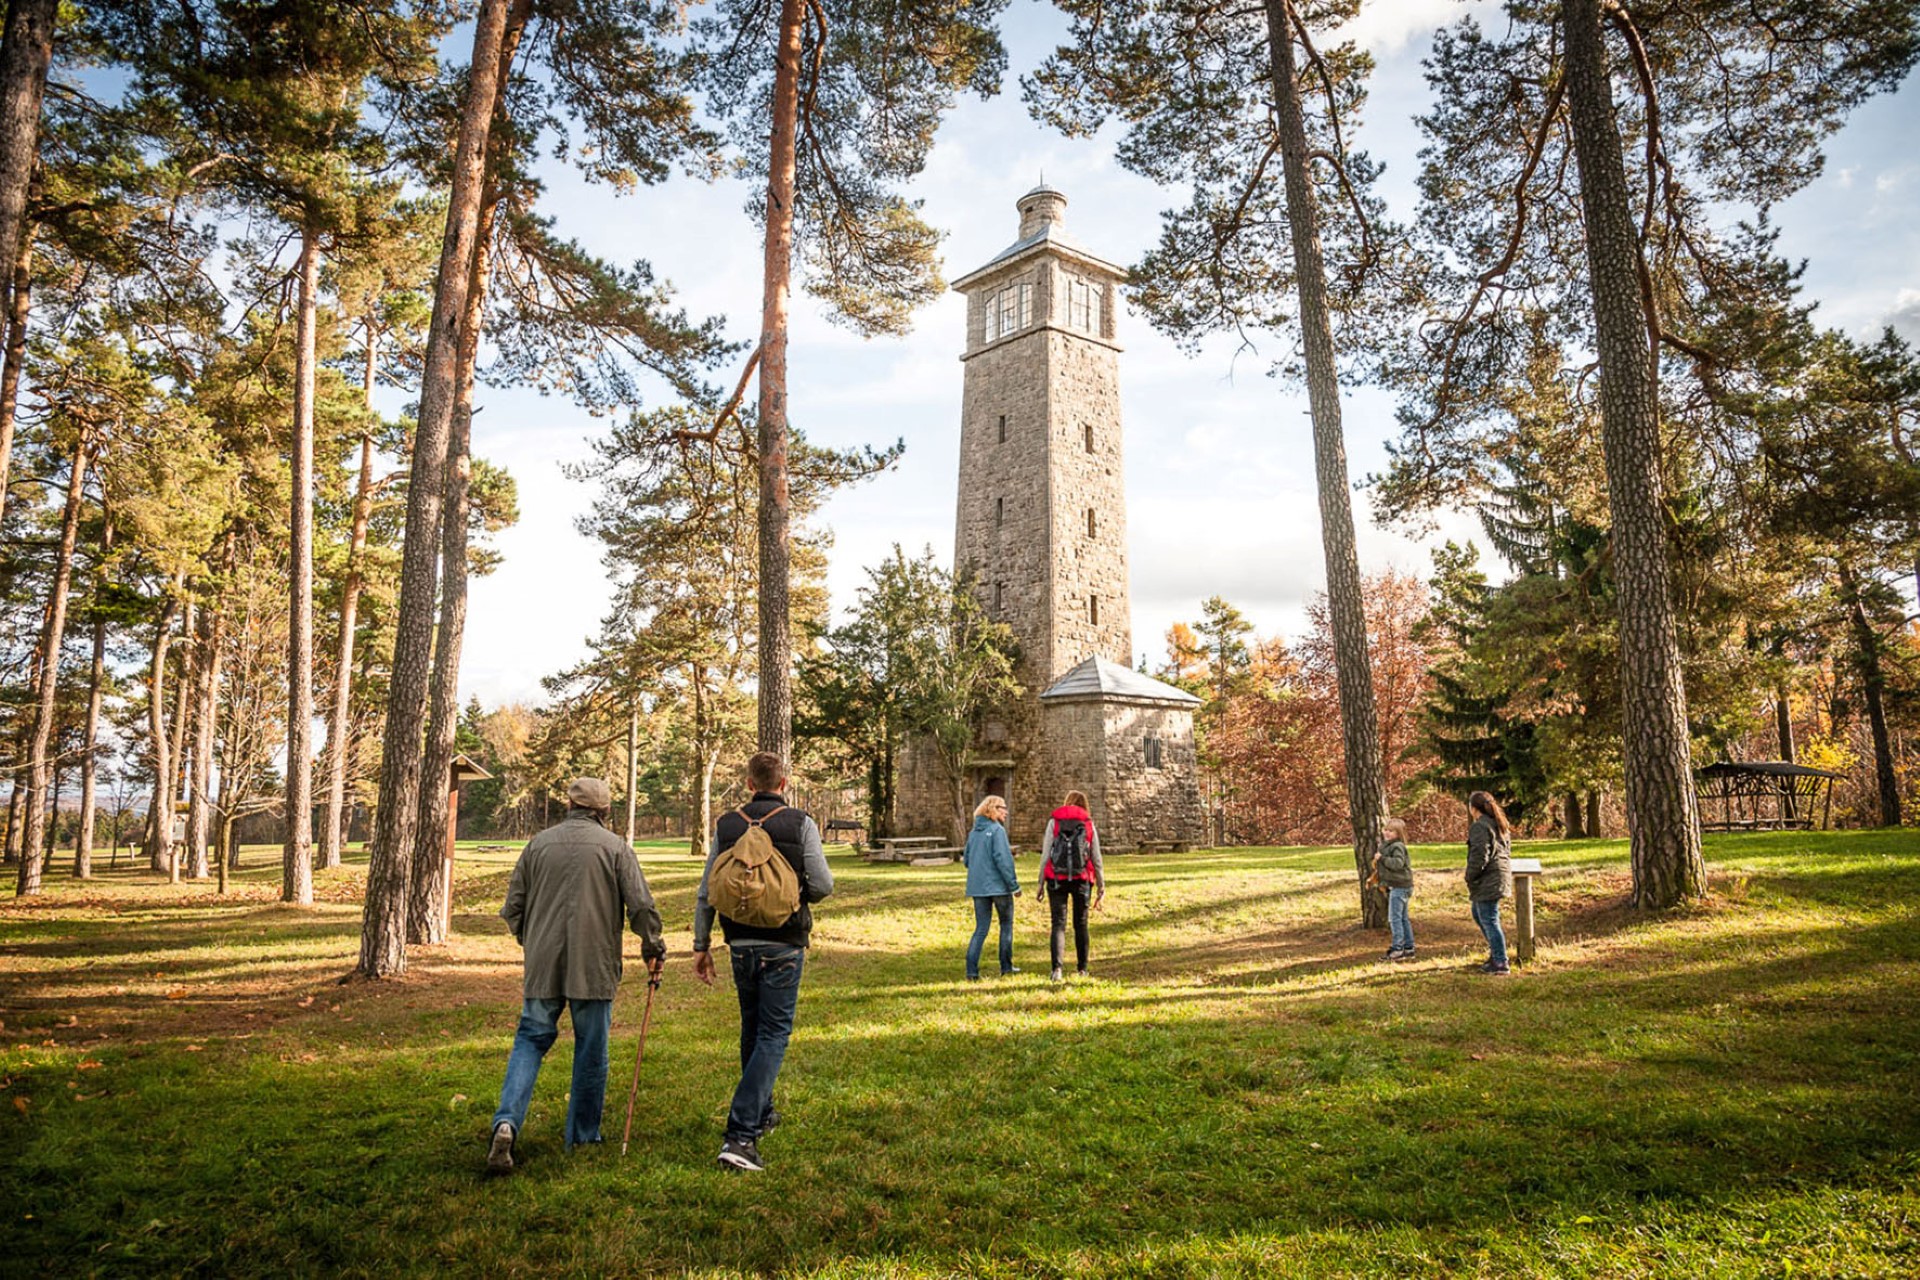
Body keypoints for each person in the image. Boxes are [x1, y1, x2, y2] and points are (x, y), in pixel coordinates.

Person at [488, 777, 664, 1174]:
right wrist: (653, 947)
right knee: (590, 1049)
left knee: (530, 1041)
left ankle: (506, 1122)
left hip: (543, 962)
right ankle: (583, 1135)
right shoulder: (617, 849)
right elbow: (640, 906)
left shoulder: (538, 845)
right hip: (595, 964)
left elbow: (512, 907)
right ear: (604, 811)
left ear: (569, 804)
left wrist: (530, 941)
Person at [694, 752, 834, 1173]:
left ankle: (762, 1112)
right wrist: (795, 896)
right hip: (784, 944)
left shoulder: (728, 825)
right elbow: (824, 884)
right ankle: (740, 1135)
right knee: (774, 1033)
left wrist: (701, 944)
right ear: (784, 783)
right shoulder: (799, 823)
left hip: (740, 942)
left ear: (749, 784)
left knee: (752, 1027)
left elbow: (708, 889)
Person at [1035, 789, 1104, 982]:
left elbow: (1046, 854)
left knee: (1058, 924)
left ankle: (1057, 969)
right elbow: (1096, 857)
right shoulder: (1088, 823)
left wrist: (1040, 883)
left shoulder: (1054, 822)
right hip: (1082, 878)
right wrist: (1101, 885)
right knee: (1081, 924)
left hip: (1056, 878)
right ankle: (1082, 968)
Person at [962, 794, 1020, 980]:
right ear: (993, 809)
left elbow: (967, 860)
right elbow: (1003, 860)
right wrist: (1014, 886)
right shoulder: (997, 831)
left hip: (978, 888)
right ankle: (1006, 967)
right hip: (999, 888)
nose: (1006, 811)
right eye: (1003, 808)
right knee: (1006, 925)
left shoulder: (973, 833)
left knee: (981, 928)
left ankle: (971, 971)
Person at [1464, 791, 1514, 975]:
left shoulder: (1480, 826)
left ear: (1473, 808)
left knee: (1489, 919)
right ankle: (1496, 954)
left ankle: (1501, 961)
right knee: (1479, 914)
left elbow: (1480, 854)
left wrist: (1470, 875)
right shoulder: (1499, 824)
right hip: (1498, 876)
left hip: (1489, 878)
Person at [1375, 816, 1415, 960]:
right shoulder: (1388, 845)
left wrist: (1382, 859)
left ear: (1398, 834)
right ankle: (1409, 947)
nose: (1387, 833)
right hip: (1400, 886)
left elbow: (1398, 863)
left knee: (1395, 918)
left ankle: (1398, 949)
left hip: (1400, 887)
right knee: (1403, 918)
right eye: (1386, 829)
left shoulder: (1397, 846)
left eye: (1391, 831)